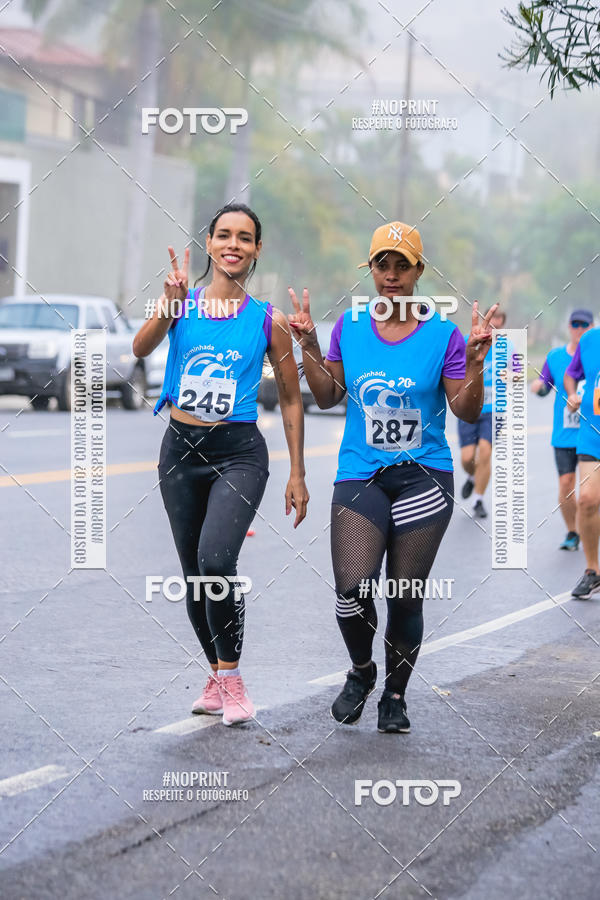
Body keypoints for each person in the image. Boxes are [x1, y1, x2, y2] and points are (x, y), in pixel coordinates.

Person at [288, 221, 496, 733]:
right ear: (371, 270)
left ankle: (395, 696)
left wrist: (474, 363)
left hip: (424, 475)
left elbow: (467, 412)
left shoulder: (443, 334)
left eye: (402, 265)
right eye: (383, 264)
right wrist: (310, 344)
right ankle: (362, 671)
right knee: (352, 586)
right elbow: (327, 396)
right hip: (361, 473)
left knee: (404, 591)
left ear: (419, 271)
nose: (392, 274)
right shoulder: (351, 328)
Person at [133, 203, 309, 725]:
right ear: (209, 243)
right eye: (225, 235)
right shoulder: (182, 306)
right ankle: (216, 673)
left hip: (239, 454)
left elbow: (294, 400)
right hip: (180, 452)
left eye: (246, 238)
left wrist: (297, 472)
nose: (234, 244)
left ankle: (231, 679)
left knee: (216, 559)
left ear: (257, 250)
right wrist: (167, 305)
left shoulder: (268, 320)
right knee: (194, 576)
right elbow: (140, 348)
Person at [531, 309, 593, 551]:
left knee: (591, 490)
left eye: (584, 325)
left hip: (591, 433)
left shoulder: (595, 354)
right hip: (565, 435)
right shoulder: (556, 356)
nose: (579, 329)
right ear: (569, 326)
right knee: (566, 483)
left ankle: (589, 524)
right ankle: (573, 532)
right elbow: (545, 384)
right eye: (575, 324)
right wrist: (537, 385)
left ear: (591, 327)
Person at [458, 306, 507, 519]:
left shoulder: (508, 345)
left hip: (493, 410)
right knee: (468, 458)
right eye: (493, 317)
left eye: (500, 319)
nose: (496, 321)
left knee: (486, 451)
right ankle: (471, 476)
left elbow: (517, 370)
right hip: (470, 406)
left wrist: (512, 375)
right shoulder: (467, 339)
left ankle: (478, 499)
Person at [564, 320, 600, 599]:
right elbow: (571, 373)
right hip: (592, 432)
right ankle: (592, 570)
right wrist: (573, 393)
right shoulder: (589, 340)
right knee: (586, 498)